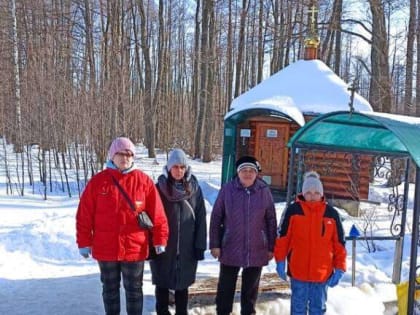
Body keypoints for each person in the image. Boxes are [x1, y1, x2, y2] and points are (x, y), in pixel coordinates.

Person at [76, 136, 169, 315]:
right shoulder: (98, 182)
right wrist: (84, 242)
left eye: (129, 154)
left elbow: (158, 214)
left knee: (134, 290)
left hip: (135, 246)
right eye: (120, 153)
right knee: (110, 290)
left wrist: (160, 239)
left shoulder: (144, 181)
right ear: (112, 155)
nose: (125, 157)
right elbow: (84, 215)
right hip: (105, 247)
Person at [209, 155, 277, 315]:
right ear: (238, 173)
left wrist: (271, 247)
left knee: (250, 291)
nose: (247, 174)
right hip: (230, 246)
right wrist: (215, 244)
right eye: (244, 170)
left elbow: (271, 219)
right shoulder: (228, 190)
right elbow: (216, 217)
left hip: (257, 247)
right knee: (226, 288)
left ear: (256, 173)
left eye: (251, 170)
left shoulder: (263, 191)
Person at [274, 171, 347, 315]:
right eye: (308, 192)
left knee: (318, 309)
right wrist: (280, 260)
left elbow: (339, 244)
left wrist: (340, 267)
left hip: (322, 274)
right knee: (298, 309)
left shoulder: (331, 214)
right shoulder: (293, 210)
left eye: (316, 192)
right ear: (302, 193)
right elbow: (283, 238)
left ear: (321, 194)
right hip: (298, 272)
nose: (312, 196)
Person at [150, 148, 207, 315]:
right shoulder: (158, 189)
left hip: (187, 247)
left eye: (182, 167)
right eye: (175, 167)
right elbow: (151, 218)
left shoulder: (194, 189)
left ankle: (182, 312)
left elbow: (201, 218)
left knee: (183, 284)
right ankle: (162, 311)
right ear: (168, 168)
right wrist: (151, 245)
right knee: (162, 282)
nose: (179, 171)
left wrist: (200, 245)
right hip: (163, 246)